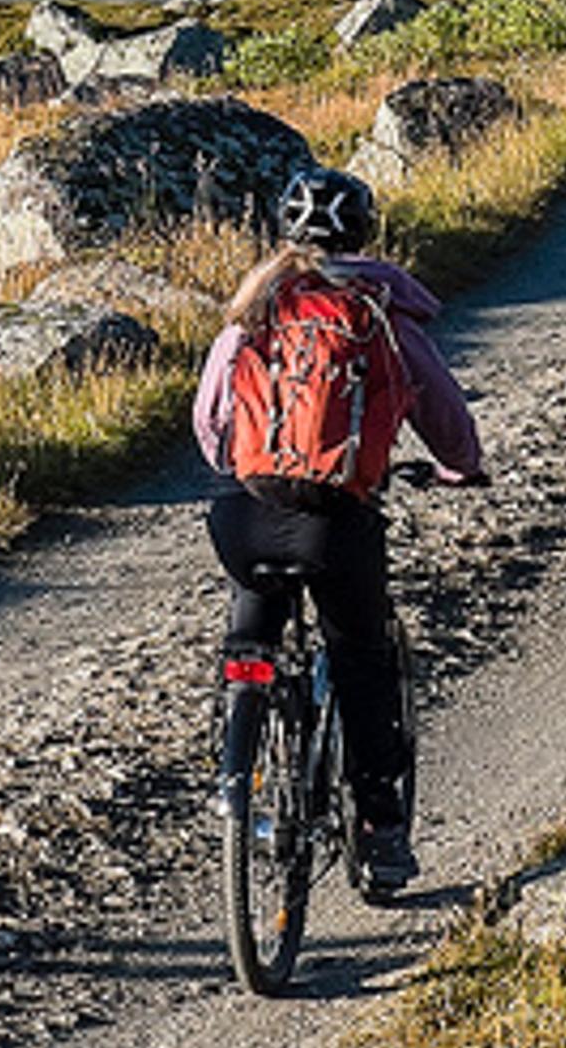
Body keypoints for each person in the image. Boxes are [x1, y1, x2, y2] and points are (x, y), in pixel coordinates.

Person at [191, 163, 485, 902]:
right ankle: (381, 831)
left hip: (244, 512)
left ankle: (238, 761)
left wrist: (244, 464)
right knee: (361, 658)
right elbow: (444, 415)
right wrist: (461, 467)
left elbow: (209, 416)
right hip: (335, 521)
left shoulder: (255, 301)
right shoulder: (379, 307)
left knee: (251, 639)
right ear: (364, 232)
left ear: (284, 231)